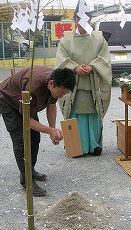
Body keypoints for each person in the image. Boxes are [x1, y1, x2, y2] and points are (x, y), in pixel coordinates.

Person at [0, 66, 76, 196]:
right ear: (51, 84)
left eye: (64, 94)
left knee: (35, 137)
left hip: (24, 102)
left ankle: (30, 170)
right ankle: (27, 181)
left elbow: (51, 105)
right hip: (7, 100)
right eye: (60, 93)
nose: (61, 96)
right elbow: (27, 120)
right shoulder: (34, 88)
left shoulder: (55, 81)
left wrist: (52, 130)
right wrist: (49, 130)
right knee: (21, 139)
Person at [55, 2, 112, 156]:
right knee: (75, 116)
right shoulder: (66, 39)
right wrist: (75, 67)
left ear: (90, 20)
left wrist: (92, 66)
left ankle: (94, 146)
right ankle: (75, 147)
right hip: (73, 88)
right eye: (79, 18)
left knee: (93, 115)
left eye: (86, 19)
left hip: (93, 87)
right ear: (74, 20)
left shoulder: (99, 38)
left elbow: (104, 58)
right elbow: (61, 60)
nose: (82, 22)